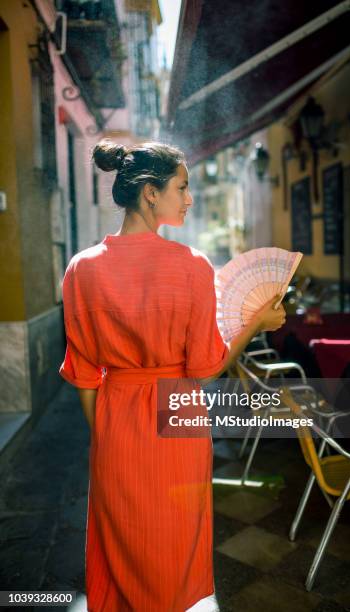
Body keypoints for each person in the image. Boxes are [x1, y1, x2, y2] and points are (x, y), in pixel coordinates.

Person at [59, 139, 286, 612]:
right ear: (149, 193)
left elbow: (83, 375)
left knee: (121, 548)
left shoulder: (81, 270)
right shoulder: (192, 267)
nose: (189, 198)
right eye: (182, 187)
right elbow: (208, 366)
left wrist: (106, 433)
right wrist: (256, 324)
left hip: (115, 422)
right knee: (173, 546)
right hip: (179, 417)